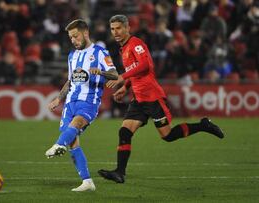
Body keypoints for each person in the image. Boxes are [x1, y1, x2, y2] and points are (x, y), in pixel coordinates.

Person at [98, 15, 225, 184]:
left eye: (119, 28)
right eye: (112, 29)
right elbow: (135, 72)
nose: (115, 32)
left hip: (152, 97)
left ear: (127, 28)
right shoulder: (124, 48)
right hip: (138, 99)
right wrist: (125, 87)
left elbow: (145, 65)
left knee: (168, 135)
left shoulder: (136, 44)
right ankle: (120, 172)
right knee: (124, 132)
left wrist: (122, 77)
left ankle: (203, 125)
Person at [45, 19, 118, 191]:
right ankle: (87, 182)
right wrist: (59, 98)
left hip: (89, 101)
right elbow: (70, 80)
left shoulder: (100, 52)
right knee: (73, 141)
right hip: (70, 102)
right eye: (71, 37)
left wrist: (100, 72)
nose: (73, 40)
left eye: (76, 36)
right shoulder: (73, 55)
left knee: (75, 125)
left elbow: (115, 74)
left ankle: (58, 144)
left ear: (85, 33)